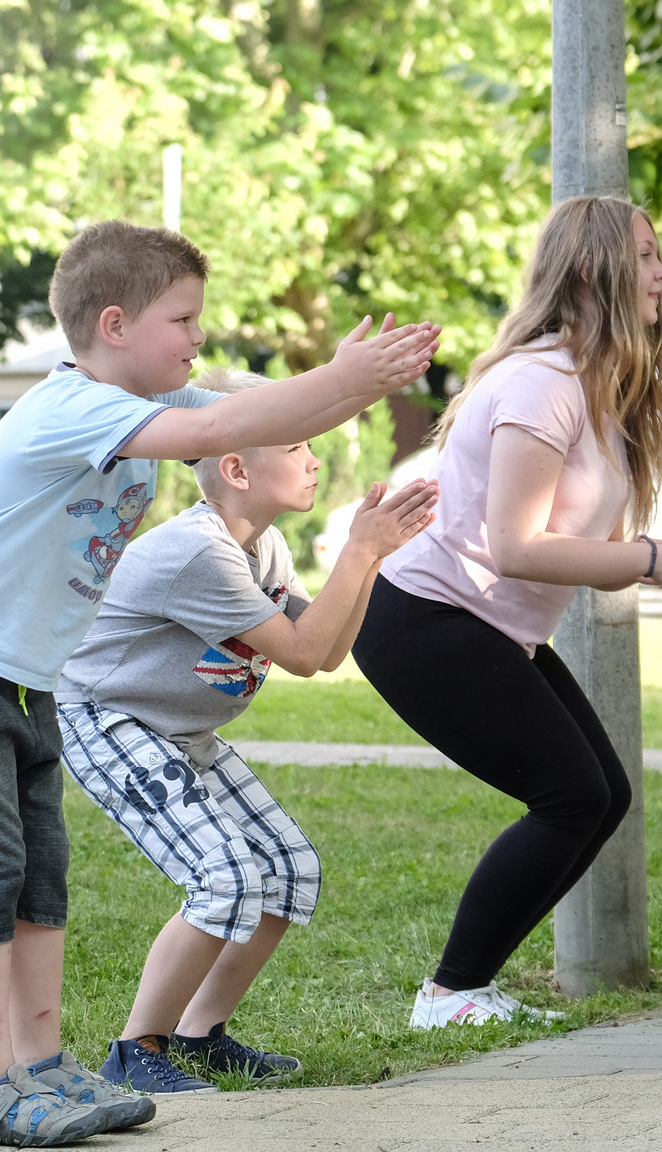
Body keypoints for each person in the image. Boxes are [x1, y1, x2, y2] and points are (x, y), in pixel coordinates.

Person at [0, 220, 440, 1148]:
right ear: (115, 324)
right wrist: (344, 377)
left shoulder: (145, 401)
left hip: (23, 674)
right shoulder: (73, 407)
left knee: (37, 877)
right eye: (184, 320)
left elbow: (253, 421)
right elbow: (220, 430)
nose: (198, 338)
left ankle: (45, 1066)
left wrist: (353, 384)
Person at [352, 195, 662, 1029]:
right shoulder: (540, 383)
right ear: (593, 268)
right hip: (424, 618)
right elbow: (517, 546)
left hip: (482, 623)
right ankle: (451, 994)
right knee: (573, 794)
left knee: (602, 795)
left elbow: (571, 538)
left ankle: (466, 989)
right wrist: (656, 559)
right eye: (645, 255)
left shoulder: (594, 385)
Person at [57, 366, 439, 1094]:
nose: (314, 460)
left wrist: (372, 558)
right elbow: (300, 653)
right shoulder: (199, 552)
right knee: (224, 875)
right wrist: (358, 552)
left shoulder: (263, 546)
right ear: (236, 469)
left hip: (180, 730)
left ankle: (199, 1034)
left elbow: (327, 651)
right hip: (108, 719)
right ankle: (136, 1049)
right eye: (296, 446)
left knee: (288, 868)